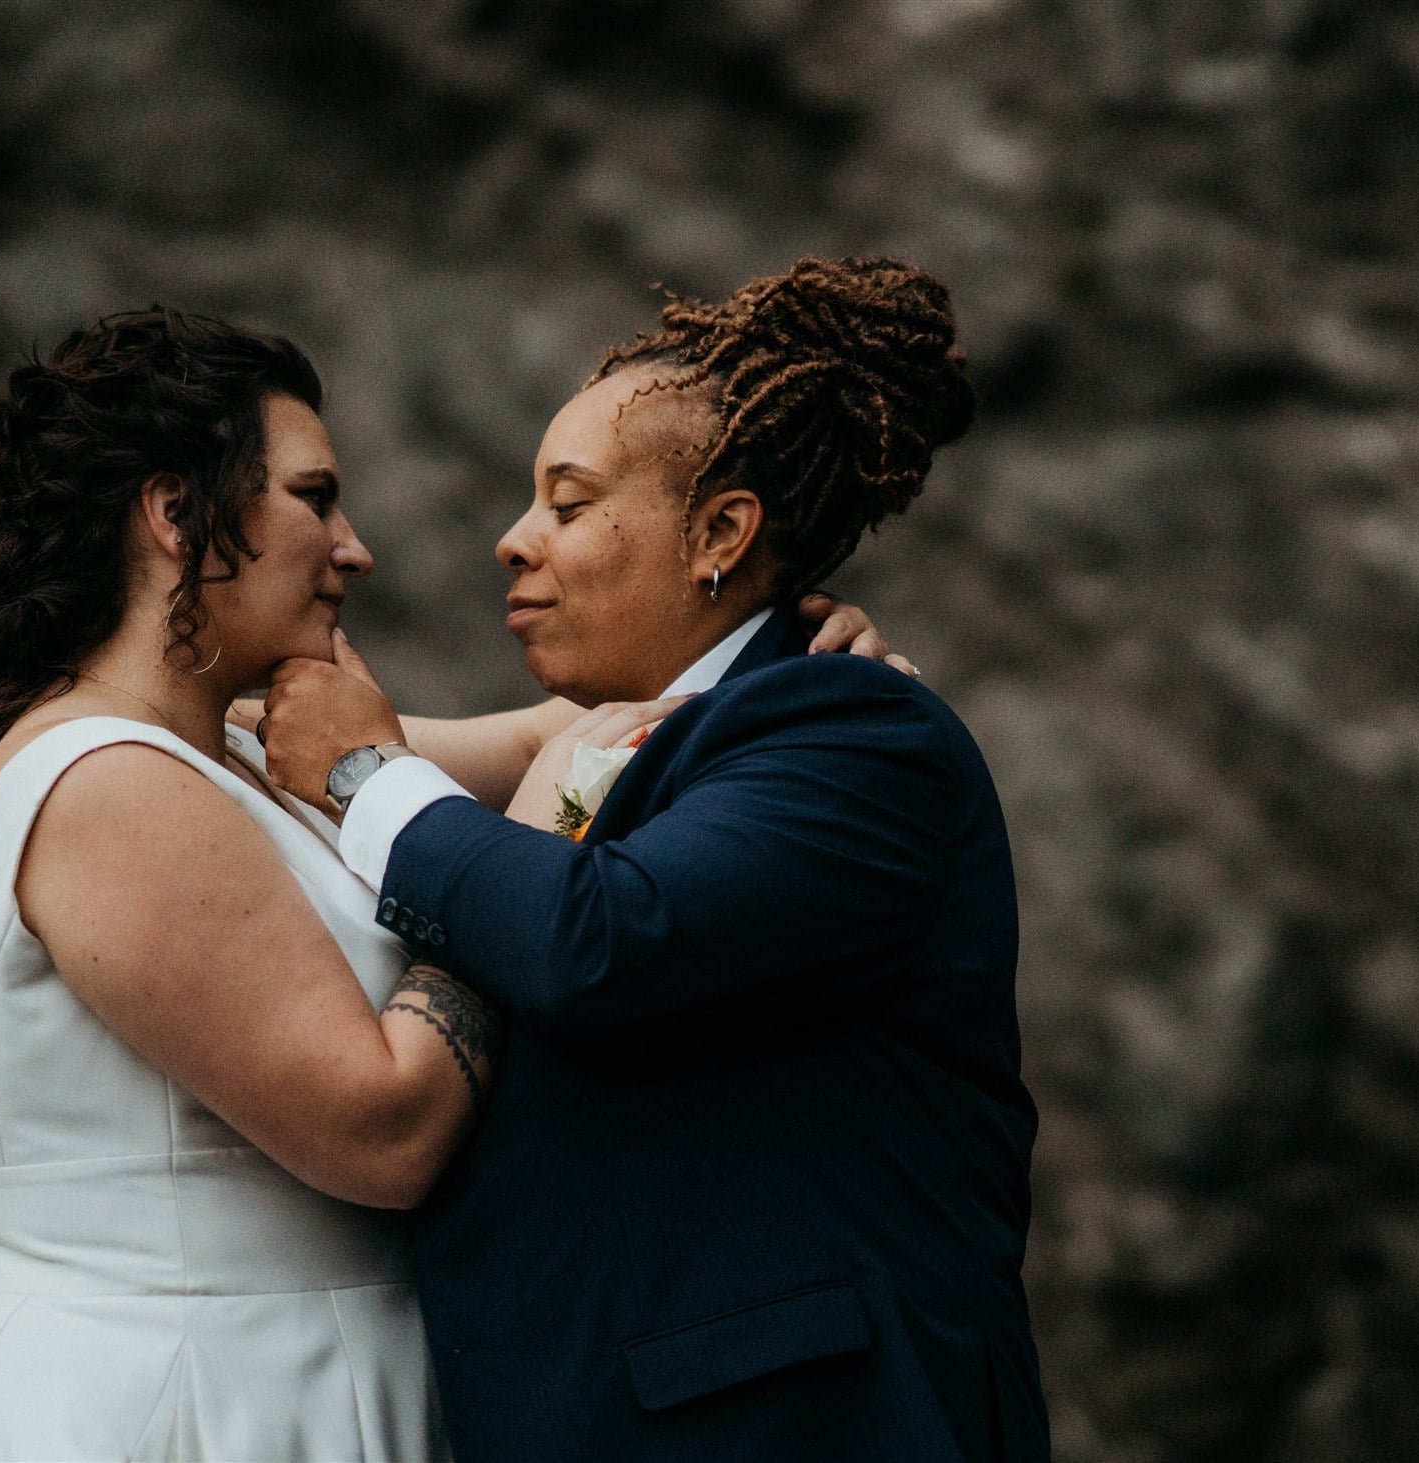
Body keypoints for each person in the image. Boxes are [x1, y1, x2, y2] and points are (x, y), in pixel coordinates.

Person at [0, 306, 897, 1461]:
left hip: (293, 1387)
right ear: (175, 513)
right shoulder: (107, 787)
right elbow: (382, 1130)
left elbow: (587, 722)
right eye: (314, 496)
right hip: (169, 1405)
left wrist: (785, 646)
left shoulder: (235, 750)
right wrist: (531, 838)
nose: (354, 547)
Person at [262, 257, 1049, 1462]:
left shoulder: (854, 728)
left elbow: (602, 940)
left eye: (568, 505)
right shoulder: (637, 730)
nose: (510, 541)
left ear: (719, 532)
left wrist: (367, 775)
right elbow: (283, 752)